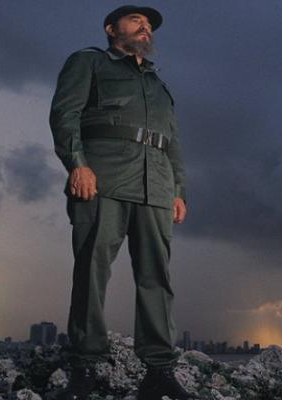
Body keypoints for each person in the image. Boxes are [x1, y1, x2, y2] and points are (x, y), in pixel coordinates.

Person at [49, 5, 200, 400]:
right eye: (136, 21)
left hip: (157, 189)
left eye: (149, 25)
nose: (145, 28)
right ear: (111, 29)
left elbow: (173, 143)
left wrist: (179, 190)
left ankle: (159, 370)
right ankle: (84, 366)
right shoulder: (89, 62)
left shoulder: (159, 86)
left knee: (157, 279)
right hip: (103, 181)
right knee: (92, 273)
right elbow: (65, 115)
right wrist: (77, 164)